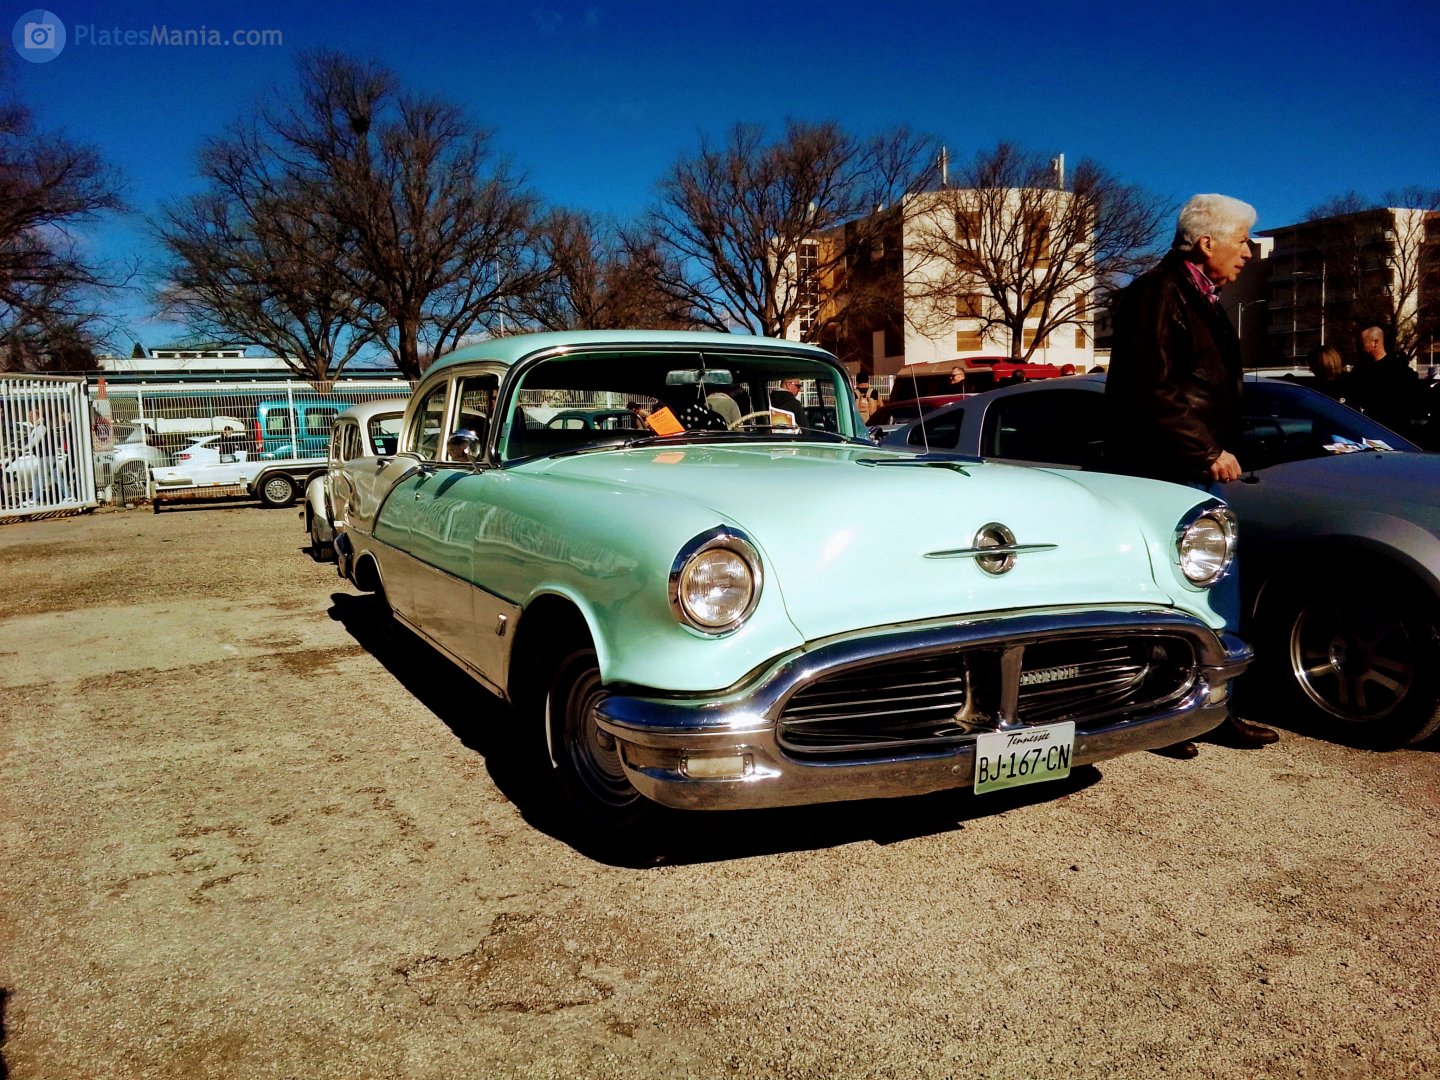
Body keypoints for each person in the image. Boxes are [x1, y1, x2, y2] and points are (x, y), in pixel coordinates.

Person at [1104, 192, 1277, 756]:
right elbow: (1149, 388)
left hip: (1185, 467)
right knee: (1181, 590)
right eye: (1241, 241)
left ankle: (1205, 707)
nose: (1247, 253)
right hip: (1168, 470)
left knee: (1206, 588)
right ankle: (1172, 709)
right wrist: (1206, 449)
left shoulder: (1196, 295)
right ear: (1207, 242)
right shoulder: (1158, 295)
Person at [1349, 326, 1418, 436]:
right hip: (1367, 428)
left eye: (1362, 343)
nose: (1359, 347)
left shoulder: (1398, 370)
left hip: (1394, 430)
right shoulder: (1360, 369)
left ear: (1375, 342)